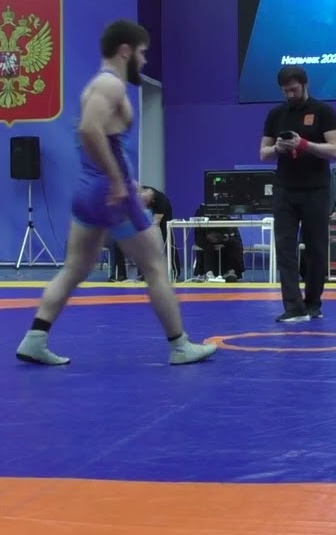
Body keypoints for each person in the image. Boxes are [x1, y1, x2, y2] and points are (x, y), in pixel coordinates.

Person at [15, 20, 215, 366]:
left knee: (75, 268)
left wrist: (122, 178)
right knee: (154, 265)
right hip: (111, 194)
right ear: (125, 51)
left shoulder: (99, 85)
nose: (144, 61)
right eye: (142, 53)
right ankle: (180, 346)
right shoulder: (110, 85)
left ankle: (35, 338)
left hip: (88, 191)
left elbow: (99, 137)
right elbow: (89, 129)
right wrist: (118, 181)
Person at [260, 65, 336, 322]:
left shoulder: (323, 112)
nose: (290, 95)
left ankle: (313, 303)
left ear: (305, 85)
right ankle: (294, 307)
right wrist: (278, 148)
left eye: (294, 90)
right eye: (285, 91)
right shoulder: (276, 114)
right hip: (285, 189)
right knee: (285, 248)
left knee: (316, 249)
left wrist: (303, 144)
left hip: (316, 189)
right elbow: (263, 153)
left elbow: (335, 150)